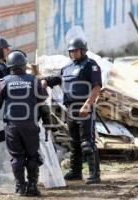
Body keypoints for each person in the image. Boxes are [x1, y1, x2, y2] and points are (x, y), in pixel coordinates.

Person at [41, 37, 102, 184]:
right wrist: (45, 81)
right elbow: (58, 79)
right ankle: (76, 172)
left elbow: (97, 87)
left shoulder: (90, 65)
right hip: (70, 110)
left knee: (87, 144)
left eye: (76, 50)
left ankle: (95, 174)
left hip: (84, 109)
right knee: (74, 143)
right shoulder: (67, 67)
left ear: (82, 50)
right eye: (71, 51)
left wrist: (87, 105)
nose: (73, 53)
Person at [0, 50, 49, 196]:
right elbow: (42, 98)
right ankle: (32, 187)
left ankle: (20, 187)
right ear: (24, 64)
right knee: (32, 156)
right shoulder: (33, 80)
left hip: (12, 126)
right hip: (30, 123)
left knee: (17, 157)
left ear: (9, 65)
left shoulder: (4, 82)